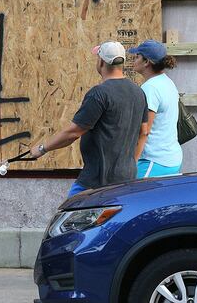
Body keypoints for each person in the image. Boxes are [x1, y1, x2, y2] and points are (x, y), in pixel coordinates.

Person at [30, 41, 149, 197]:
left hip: (96, 181)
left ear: (101, 62)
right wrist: (131, 162)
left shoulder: (99, 94)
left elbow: (73, 133)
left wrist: (42, 149)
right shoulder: (138, 92)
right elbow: (144, 131)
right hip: (126, 179)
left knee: (70, 217)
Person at [129, 39, 183, 178]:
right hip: (172, 159)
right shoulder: (167, 82)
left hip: (153, 162)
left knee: (135, 198)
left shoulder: (150, 88)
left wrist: (132, 162)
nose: (134, 60)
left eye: (137, 57)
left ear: (146, 62)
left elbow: (145, 131)